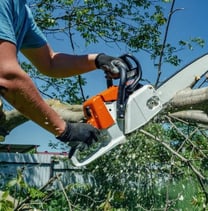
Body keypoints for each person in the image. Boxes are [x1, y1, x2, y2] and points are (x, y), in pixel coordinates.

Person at [0, 0, 124, 154]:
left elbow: (50, 62)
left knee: (64, 109)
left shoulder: (21, 11)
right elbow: (6, 76)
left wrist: (98, 60)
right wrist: (65, 130)